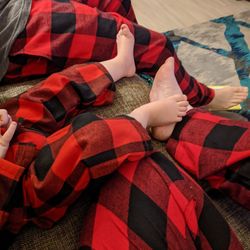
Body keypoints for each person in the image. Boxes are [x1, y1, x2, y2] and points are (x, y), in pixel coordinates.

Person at [0, 24, 248, 249]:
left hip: (13, 142)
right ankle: (147, 118)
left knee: (44, 96)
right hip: (11, 193)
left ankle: (120, 65)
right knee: (87, 138)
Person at [0, 0, 248, 111]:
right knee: (155, 45)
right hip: (9, 28)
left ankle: (144, 72)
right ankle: (202, 99)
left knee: (117, 5)